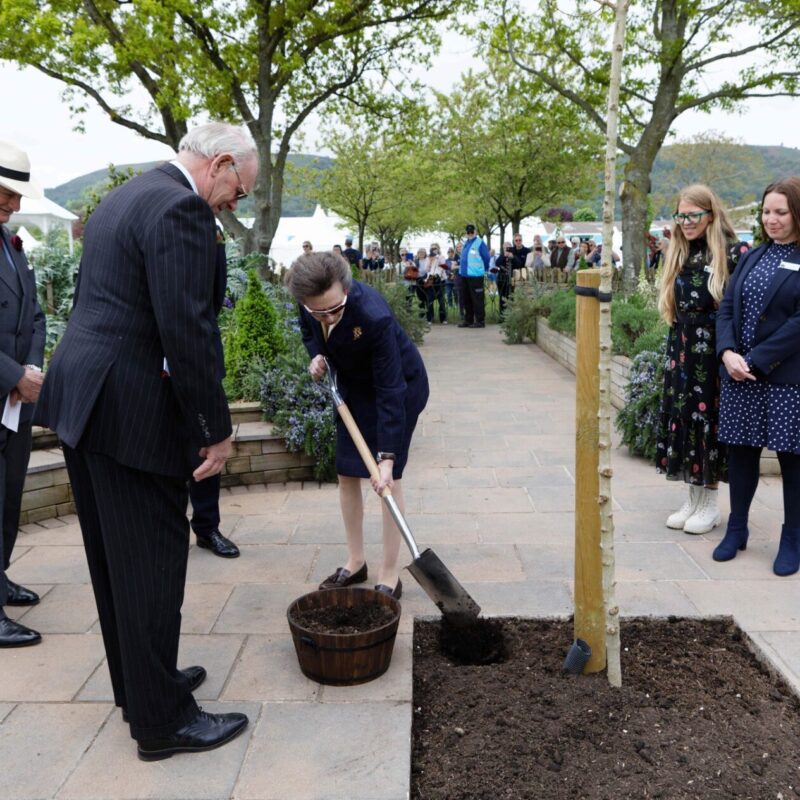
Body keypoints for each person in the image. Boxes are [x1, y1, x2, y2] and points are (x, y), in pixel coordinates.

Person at [34, 122, 255, 759]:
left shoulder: (125, 196)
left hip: (87, 402)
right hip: (129, 414)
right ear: (218, 165)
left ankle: (142, 686)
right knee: (153, 567)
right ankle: (163, 725)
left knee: (115, 568)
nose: (233, 205)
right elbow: (186, 329)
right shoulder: (181, 207)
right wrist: (214, 431)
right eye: (238, 191)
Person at [285, 251, 429, 598]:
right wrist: (317, 358)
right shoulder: (309, 302)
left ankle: (390, 572)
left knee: (386, 482)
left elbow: (391, 389)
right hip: (353, 390)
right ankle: (355, 560)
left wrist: (387, 456)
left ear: (345, 289)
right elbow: (311, 335)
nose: (329, 315)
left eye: (336, 308)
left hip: (399, 389)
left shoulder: (372, 316)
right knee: (348, 473)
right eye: (321, 312)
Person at [713, 176, 800, 575]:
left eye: (781, 211)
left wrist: (757, 360)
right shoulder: (753, 256)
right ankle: (736, 530)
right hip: (740, 375)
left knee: (792, 463)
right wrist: (728, 353)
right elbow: (727, 306)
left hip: (785, 380)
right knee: (741, 456)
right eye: (767, 211)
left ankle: (792, 540)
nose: (772, 219)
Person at [655, 184, 746, 536]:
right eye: (681, 215)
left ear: (710, 214)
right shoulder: (679, 251)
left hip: (713, 350)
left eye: (694, 215)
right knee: (684, 417)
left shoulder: (732, 252)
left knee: (707, 421)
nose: (687, 222)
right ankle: (691, 498)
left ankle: (709, 504)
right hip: (681, 345)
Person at [0, 141, 46, 648]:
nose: (15, 206)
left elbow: (35, 313)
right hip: (6, 387)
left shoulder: (11, 245)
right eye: (9, 194)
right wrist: (13, 373)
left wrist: (30, 368)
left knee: (9, 496)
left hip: (15, 399)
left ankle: (2, 576)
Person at [188, 225, 240, 560]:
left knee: (208, 441)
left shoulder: (209, 230)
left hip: (200, 359)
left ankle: (207, 528)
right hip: (154, 366)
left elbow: (215, 290)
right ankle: (166, 530)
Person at [458, 224, 490, 328]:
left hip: (476, 276)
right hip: (464, 275)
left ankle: (480, 321)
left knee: (477, 299)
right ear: (466, 233)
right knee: (466, 299)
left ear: (475, 232)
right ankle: (469, 320)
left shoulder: (480, 243)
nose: (470, 233)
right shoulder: (466, 243)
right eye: (468, 232)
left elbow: (486, 257)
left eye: (471, 232)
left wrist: (483, 269)